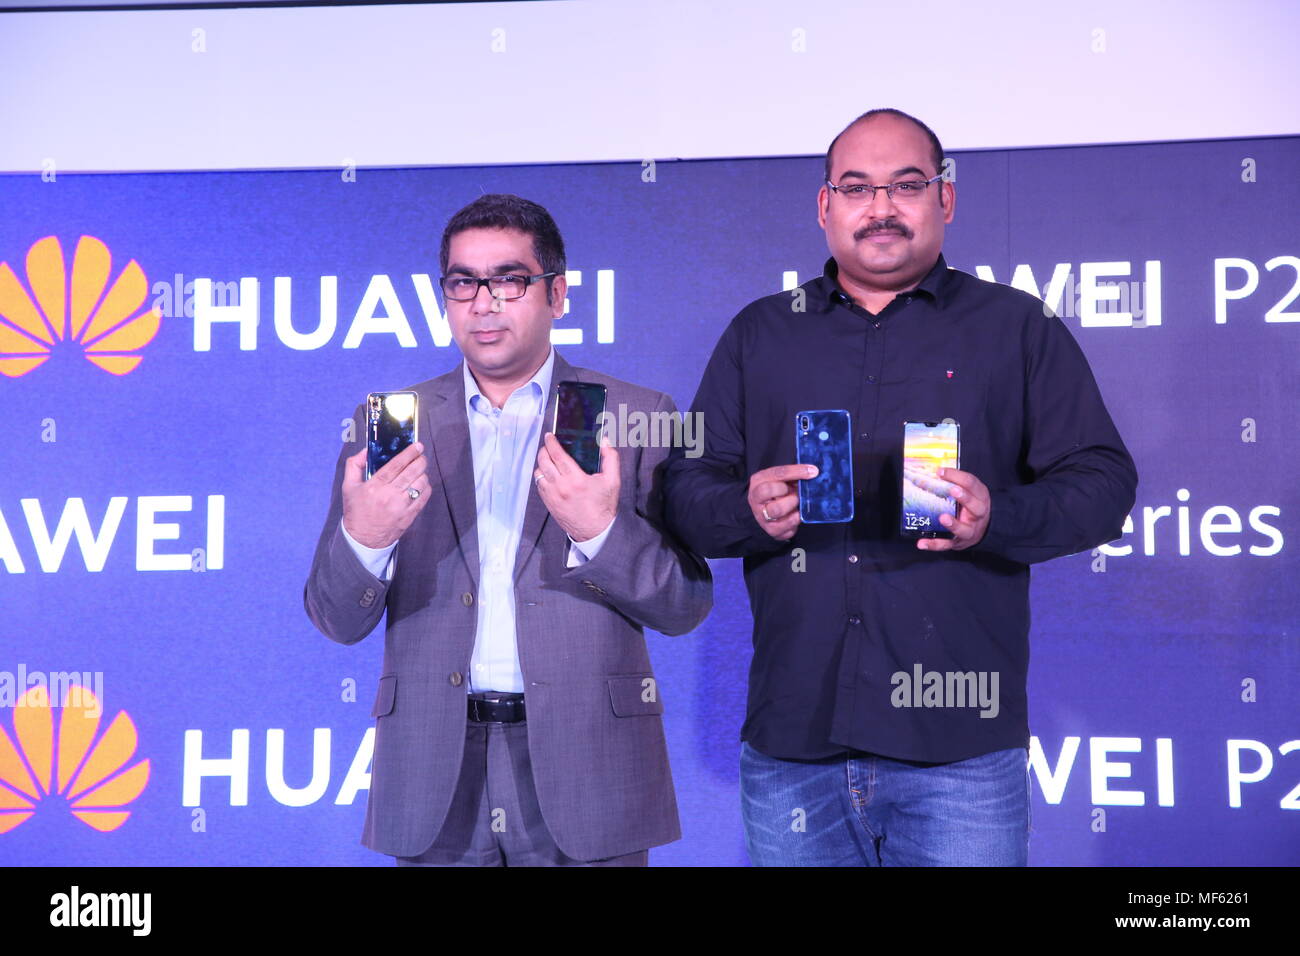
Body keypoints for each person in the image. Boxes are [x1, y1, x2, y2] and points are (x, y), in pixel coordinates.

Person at [662, 108, 1138, 866]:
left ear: (945, 197)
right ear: (826, 206)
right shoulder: (760, 333)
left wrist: (998, 516)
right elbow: (685, 484)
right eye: (857, 188)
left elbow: (1105, 482)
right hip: (795, 746)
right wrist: (746, 511)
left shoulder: (1018, 327)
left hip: (959, 756)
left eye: (905, 185)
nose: (881, 207)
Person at [305, 193, 712, 866]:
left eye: (509, 280)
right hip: (436, 769)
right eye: (463, 283)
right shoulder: (392, 422)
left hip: (588, 765)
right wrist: (366, 541)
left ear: (557, 294)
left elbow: (685, 605)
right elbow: (332, 616)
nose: (483, 304)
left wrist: (603, 532)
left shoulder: (631, 416)